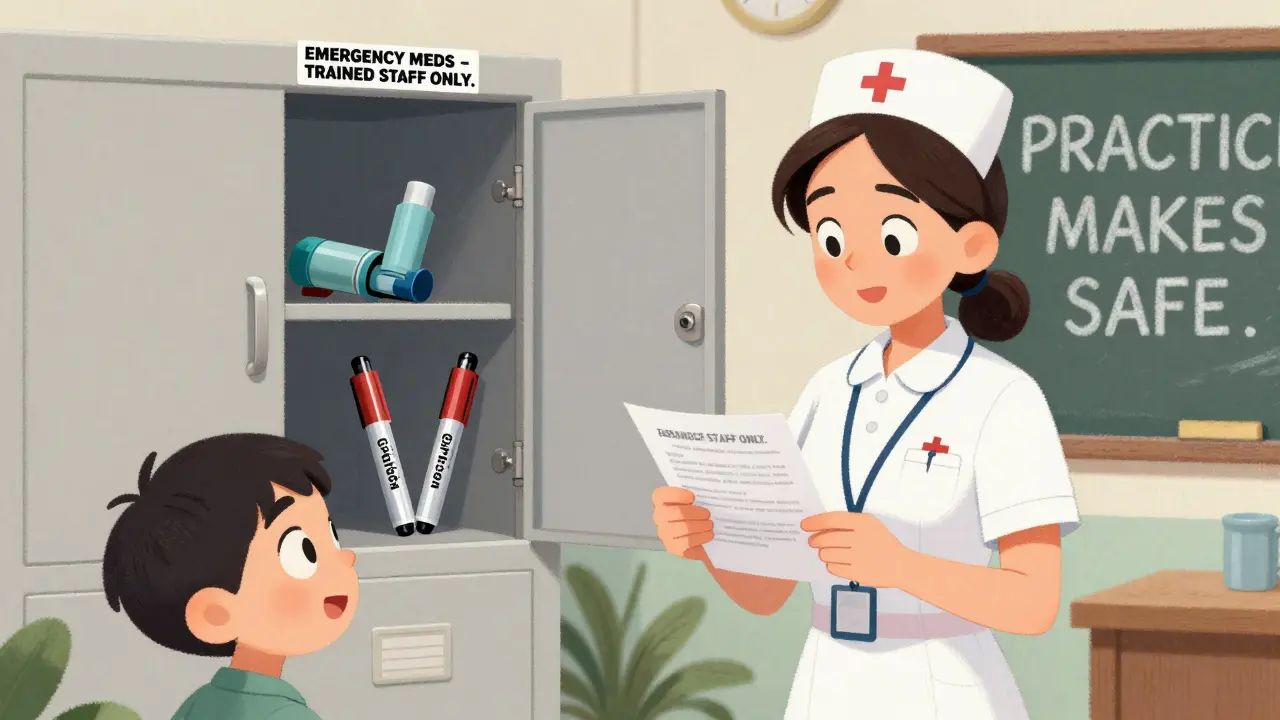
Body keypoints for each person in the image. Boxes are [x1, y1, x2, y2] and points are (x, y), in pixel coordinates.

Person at [650, 49, 1080, 719]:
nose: (852, 258)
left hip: (944, 686)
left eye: (893, 233)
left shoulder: (1003, 398)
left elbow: (1033, 602)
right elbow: (768, 594)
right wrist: (708, 540)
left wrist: (901, 566)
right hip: (827, 680)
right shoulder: (828, 390)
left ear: (972, 245)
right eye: (829, 234)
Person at [103, 433, 359, 719]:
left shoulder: (197, 704)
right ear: (216, 615)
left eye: (331, 536)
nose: (347, 557)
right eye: (304, 550)